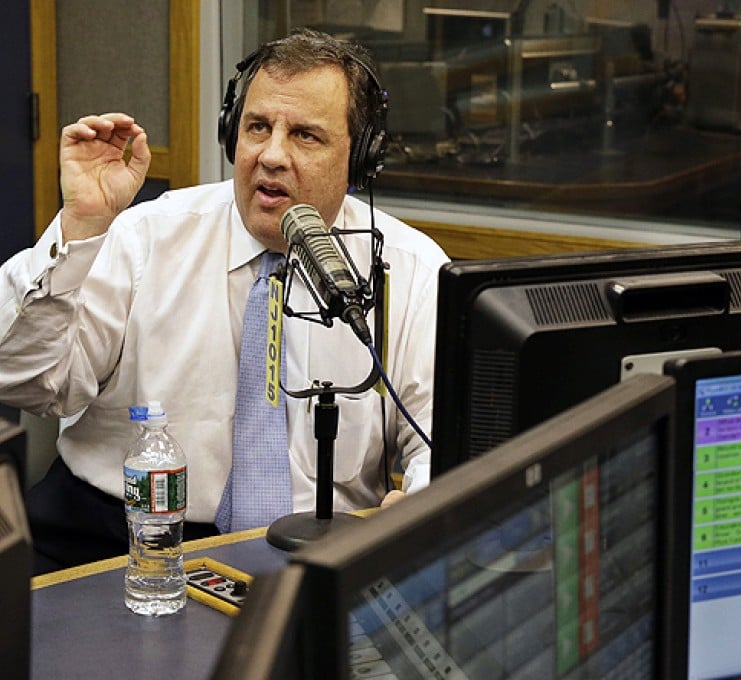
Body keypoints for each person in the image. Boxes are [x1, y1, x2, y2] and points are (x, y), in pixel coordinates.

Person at [0, 28, 449, 573]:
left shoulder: (409, 268)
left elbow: (441, 438)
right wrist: (79, 226)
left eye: (305, 135)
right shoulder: (144, 237)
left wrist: (424, 505)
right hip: (112, 537)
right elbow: (24, 380)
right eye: (257, 127)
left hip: (327, 548)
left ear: (359, 158)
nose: (272, 155)